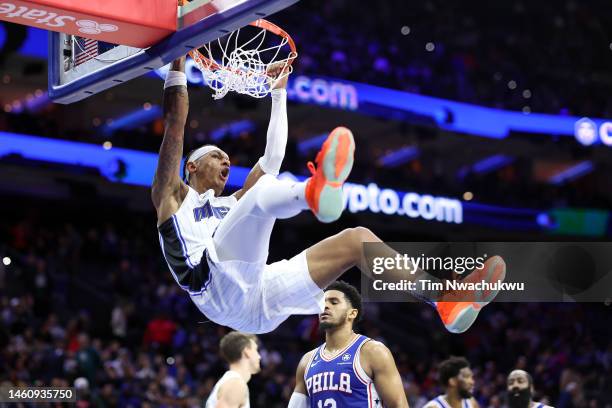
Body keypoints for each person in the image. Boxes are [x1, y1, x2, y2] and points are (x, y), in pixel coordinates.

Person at [152, 55, 507, 334]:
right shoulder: (172, 196)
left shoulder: (230, 206)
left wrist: (278, 92)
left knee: (357, 240)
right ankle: (313, 191)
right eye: (217, 156)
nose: (226, 161)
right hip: (212, 286)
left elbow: (272, 159)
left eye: (227, 158)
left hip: (258, 301)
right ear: (192, 167)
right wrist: (177, 61)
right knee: (259, 194)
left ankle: (444, 299)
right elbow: (176, 123)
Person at [289, 281, 409, 408]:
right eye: (322, 302)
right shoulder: (307, 361)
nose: (325, 306)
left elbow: (399, 405)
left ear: (352, 313)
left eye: (334, 302)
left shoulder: (373, 352)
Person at [205, 331, 261, 408]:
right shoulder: (235, 384)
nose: (259, 356)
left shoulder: (232, 381)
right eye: (256, 350)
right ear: (247, 351)